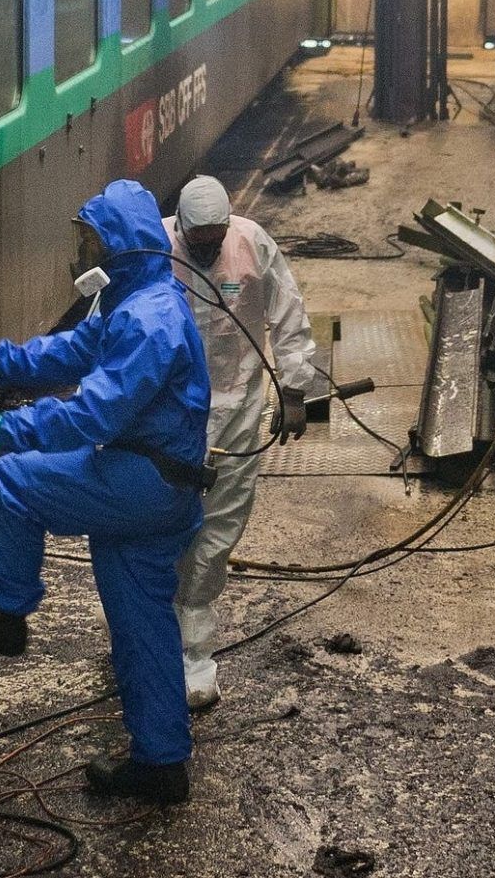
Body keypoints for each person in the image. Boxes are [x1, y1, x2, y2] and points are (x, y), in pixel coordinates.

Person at [0, 178, 212, 805]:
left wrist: (4, 430)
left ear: (120, 246)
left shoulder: (148, 320)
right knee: (141, 627)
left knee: (14, 480)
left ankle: (3, 613)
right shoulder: (137, 299)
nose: (82, 252)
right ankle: (161, 764)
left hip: (145, 482)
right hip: (161, 483)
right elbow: (72, 351)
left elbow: (94, 416)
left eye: (90, 240)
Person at [164, 174, 324, 713]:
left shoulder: (252, 244)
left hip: (237, 416)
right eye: (198, 240)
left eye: (215, 238)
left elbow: (289, 316)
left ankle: (194, 657)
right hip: (169, 420)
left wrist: (296, 391)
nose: (208, 249)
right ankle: (146, 636)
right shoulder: (153, 247)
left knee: (216, 534)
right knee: (161, 528)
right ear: (181, 227)